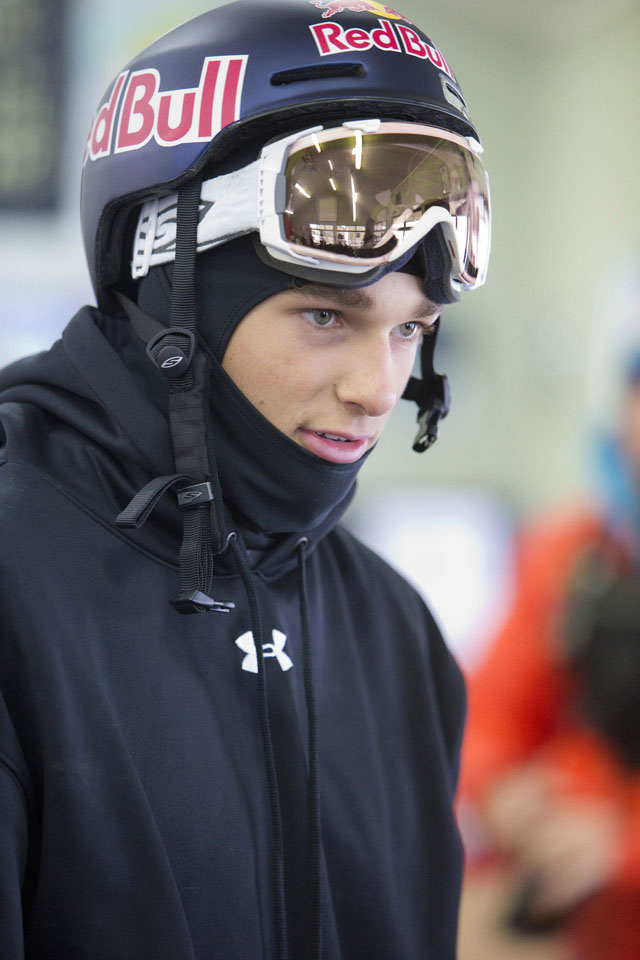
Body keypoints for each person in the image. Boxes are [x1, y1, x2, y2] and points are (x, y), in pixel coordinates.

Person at [0, 2, 490, 957]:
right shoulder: (17, 590)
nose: (376, 389)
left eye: (410, 329)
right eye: (324, 318)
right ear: (166, 293)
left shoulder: (397, 636)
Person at [461, 363, 640, 960]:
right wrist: (500, 789)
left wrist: (621, 846)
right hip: (572, 912)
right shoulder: (572, 557)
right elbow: (490, 712)